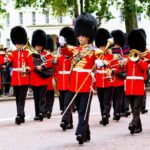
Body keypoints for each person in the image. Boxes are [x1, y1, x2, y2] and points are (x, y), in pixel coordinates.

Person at [59, 13, 97, 144]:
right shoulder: (75, 49)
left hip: (86, 84)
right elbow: (65, 52)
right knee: (67, 104)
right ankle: (86, 132)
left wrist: (102, 63)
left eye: (84, 35)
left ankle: (80, 133)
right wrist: (63, 45)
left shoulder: (94, 51)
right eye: (79, 35)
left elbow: (107, 60)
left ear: (89, 36)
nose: (81, 37)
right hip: (73, 84)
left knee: (83, 110)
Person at [124, 29, 148, 134]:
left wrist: (138, 60)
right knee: (133, 108)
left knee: (137, 108)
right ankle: (139, 127)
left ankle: (133, 124)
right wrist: (123, 62)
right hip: (129, 86)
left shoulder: (142, 57)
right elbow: (122, 68)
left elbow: (145, 67)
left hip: (138, 85)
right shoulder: (128, 56)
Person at [7, 26, 31, 125]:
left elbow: (31, 67)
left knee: (22, 98)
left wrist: (26, 69)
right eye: (16, 44)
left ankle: (18, 115)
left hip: (24, 78)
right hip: (16, 79)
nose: (18, 46)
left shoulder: (27, 53)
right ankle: (21, 115)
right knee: (18, 98)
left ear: (22, 44)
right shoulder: (12, 53)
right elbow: (9, 60)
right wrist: (6, 61)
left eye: (19, 44)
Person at [30, 29, 53, 121]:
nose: (38, 47)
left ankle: (41, 112)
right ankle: (37, 113)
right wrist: (34, 67)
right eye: (36, 45)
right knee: (36, 97)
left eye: (39, 46)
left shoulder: (46, 54)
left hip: (43, 79)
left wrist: (42, 67)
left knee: (42, 97)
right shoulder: (31, 54)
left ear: (42, 45)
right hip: (34, 78)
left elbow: (50, 63)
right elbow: (29, 64)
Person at [58, 27, 77, 129]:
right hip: (62, 83)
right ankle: (70, 123)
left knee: (67, 103)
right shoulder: (60, 55)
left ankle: (64, 121)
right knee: (64, 103)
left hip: (70, 81)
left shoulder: (74, 54)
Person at [94, 28, 115, 126]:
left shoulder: (112, 56)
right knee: (101, 100)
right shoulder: (97, 56)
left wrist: (105, 64)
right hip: (99, 81)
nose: (103, 48)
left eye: (104, 46)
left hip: (108, 81)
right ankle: (103, 115)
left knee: (107, 100)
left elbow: (114, 66)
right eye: (101, 46)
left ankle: (106, 115)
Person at [111, 29, 126, 121]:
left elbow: (128, 59)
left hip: (120, 76)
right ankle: (116, 111)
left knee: (119, 96)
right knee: (113, 97)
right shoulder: (111, 50)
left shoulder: (125, 49)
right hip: (113, 76)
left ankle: (117, 112)